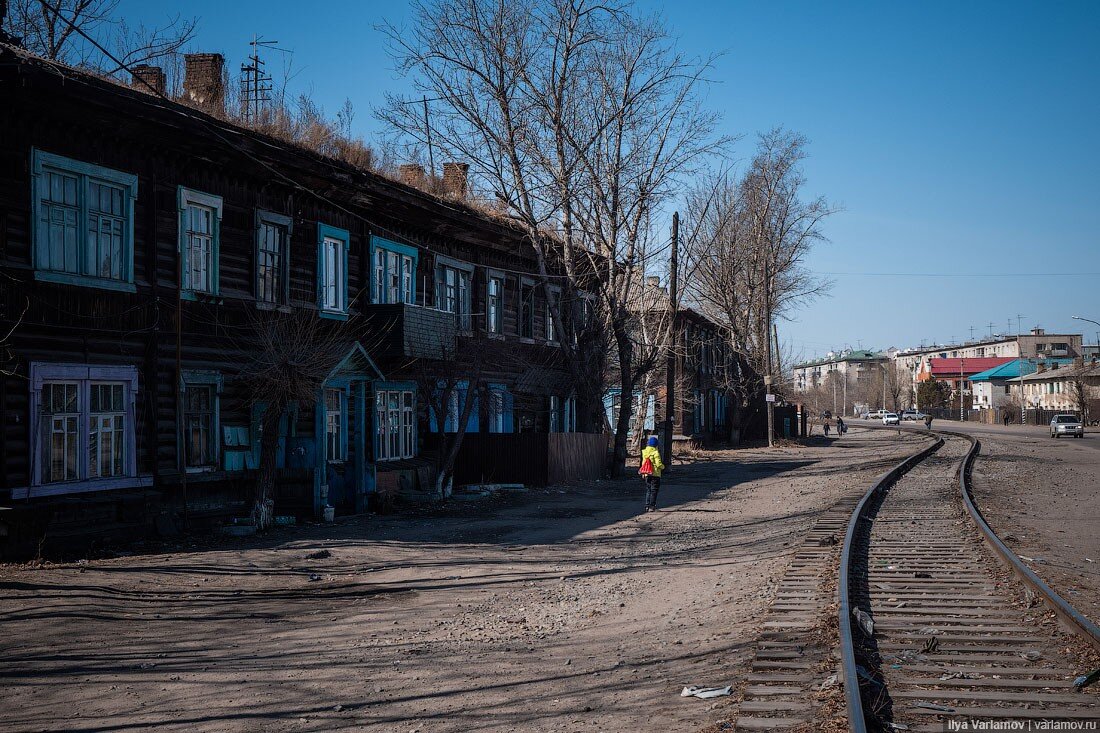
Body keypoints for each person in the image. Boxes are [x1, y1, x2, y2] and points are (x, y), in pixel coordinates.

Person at [639, 436, 665, 512]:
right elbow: (658, 464)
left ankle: (647, 506)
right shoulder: (655, 453)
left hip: (647, 474)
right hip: (655, 475)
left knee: (648, 490)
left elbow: (643, 463)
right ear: (656, 445)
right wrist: (663, 467)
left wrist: (644, 473)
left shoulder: (644, 453)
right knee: (654, 491)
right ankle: (652, 506)